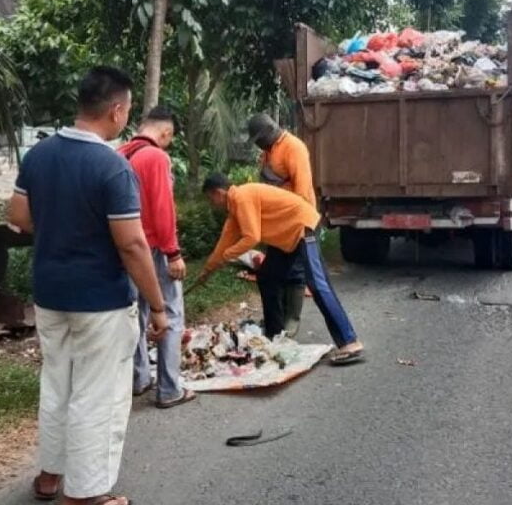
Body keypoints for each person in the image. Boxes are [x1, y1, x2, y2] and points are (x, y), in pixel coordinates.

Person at [8, 66, 168, 505]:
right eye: (129, 109)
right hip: (99, 301)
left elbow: (18, 218)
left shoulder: (38, 155)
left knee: (57, 383)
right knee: (97, 396)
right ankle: (87, 494)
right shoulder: (110, 167)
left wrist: (61, 226)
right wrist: (157, 306)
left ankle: (49, 475)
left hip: (49, 293)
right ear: (117, 110)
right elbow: (133, 245)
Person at [196, 174, 365, 365]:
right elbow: (223, 245)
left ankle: (349, 342)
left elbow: (251, 237)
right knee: (268, 277)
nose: (213, 204)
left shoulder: (242, 196)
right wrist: (207, 271)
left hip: (302, 228)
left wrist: (227, 256)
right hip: (287, 239)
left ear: (218, 192)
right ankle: (274, 336)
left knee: (317, 285)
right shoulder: (235, 210)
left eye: (211, 199)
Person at [118, 106, 196, 409]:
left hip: (126, 250)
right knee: (170, 315)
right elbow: (164, 210)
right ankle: (169, 388)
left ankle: (138, 379)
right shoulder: (156, 157)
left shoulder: (121, 154)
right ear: (165, 132)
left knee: (135, 315)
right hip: (152, 249)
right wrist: (173, 253)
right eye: (171, 138)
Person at [247, 113, 314, 338]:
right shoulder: (269, 152)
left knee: (294, 272)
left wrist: (298, 225)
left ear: (268, 132)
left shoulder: (293, 148)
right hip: (278, 224)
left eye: (258, 139)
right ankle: (276, 326)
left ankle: (290, 323)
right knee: (270, 275)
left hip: (295, 221)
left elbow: (302, 191)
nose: (257, 144)